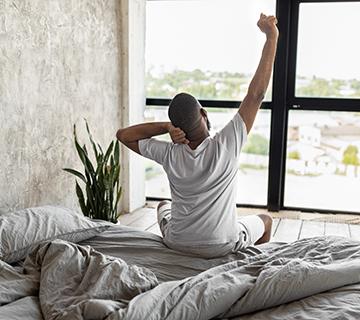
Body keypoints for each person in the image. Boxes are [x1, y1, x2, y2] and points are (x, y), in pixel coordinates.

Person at [117, 13, 279, 258]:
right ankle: (251, 266)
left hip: (178, 242)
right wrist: (271, 36)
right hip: (222, 243)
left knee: (163, 205)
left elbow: (123, 135)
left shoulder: (168, 153)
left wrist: (165, 128)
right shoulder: (228, 143)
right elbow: (255, 95)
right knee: (265, 220)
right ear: (203, 113)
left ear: (177, 126)